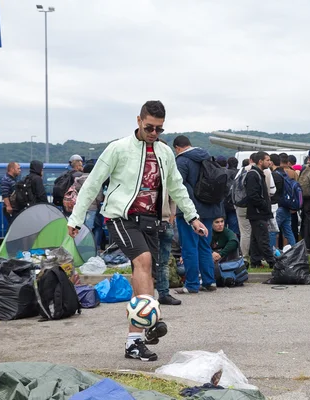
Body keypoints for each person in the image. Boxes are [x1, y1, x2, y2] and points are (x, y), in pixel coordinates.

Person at [67, 100, 207, 362]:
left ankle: (134, 342)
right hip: (120, 216)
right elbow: (93, 183)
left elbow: (177, 187)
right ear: (139, 120)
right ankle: (152, 320)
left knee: (145, 275)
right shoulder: (118, 149)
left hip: (151, 219)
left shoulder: (165, 153)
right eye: (149, 127)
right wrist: (76, 218)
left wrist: (193, 217)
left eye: (159, 130)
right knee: (142, 261)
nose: (154, 133)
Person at [172, 135, 223, 294]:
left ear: (177, 148)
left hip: (190, 211)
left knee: (189, 247)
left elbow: (177, 185)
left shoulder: (181, 161)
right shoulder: (206, 157)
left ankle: (192, 284)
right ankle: (209, 281)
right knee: (204, 246)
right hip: (209, 208)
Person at [246, 151, 275, 268]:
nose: (270, 162)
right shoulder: (253, 174)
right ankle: (272, 262)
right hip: (258, 212)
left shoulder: (259, 173)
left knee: (255, 239)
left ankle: (255, 261)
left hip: (257, 212)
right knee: (263, 238)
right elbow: (253, 195)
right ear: (260, 161)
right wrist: (264, 205)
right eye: (267, 160)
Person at [156, 194, 181, 306]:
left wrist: (171, 217)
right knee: (145, 262)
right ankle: (146, 296)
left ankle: (164, 294)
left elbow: (173, 197)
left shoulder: (167, 176)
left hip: (165, 220)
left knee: (164, 261)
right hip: (146, 220)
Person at [271, 154, 296, 249]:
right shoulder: (285, 174)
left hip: (278, 206)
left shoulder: (274, 175)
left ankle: (272, 252)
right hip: (287, 205)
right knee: (288, 231)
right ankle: (294, 251)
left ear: (272, 162)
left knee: (273, 231)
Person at [0, 161, 21, 226]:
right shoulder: (6, 179)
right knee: (12, 226)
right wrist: (8, 206)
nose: (20, 170)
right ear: (12, 169)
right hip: (11, 208)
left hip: (15, 207)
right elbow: (5, 194)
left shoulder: (14, 179)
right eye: (18, 168)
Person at [225, 157, 240, 237]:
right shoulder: (240, 173)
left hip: (224, 203)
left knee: (221, 225)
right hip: (235, 204)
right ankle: (234, 243)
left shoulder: (224, 173)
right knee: (234, 227)